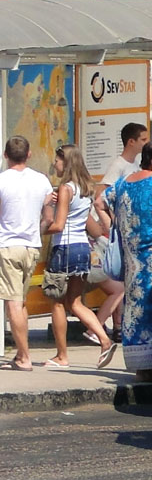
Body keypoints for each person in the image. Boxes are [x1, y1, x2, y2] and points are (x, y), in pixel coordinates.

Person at [104, 142, 152, 382]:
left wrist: (115, 227)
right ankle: (151, 368)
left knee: (134, 309)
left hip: (131, 258)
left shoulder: (124, 184)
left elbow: (99, 202)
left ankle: (141, 366)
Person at [41, 144, 118, 369]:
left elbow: (59, 225)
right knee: (74, 303)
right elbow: (82, 221)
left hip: (64, 248)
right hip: (82, 249)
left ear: (66, 162)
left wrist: (43, 223)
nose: (54, 164)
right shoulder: (86, 188)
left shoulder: (66, 188)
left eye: (57, 160)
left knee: (56, 302)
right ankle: (104, 340)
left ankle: (62, 356)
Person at [0, 136, 54, 372]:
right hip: (32, 247)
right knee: (20, 301)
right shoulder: (42, 181)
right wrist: (36, 232)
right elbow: (49, 217)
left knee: (12, 303)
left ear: (5, 155)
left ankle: (24, 356)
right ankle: (22, 353)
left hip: (8, 246)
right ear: (29, 154)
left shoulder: (2, 181)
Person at [99, 122, 148, 195]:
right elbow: (101, 192)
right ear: (131, 141)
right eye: (143, 140)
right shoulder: (117, 165)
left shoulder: (136, 163)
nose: (147, 143)